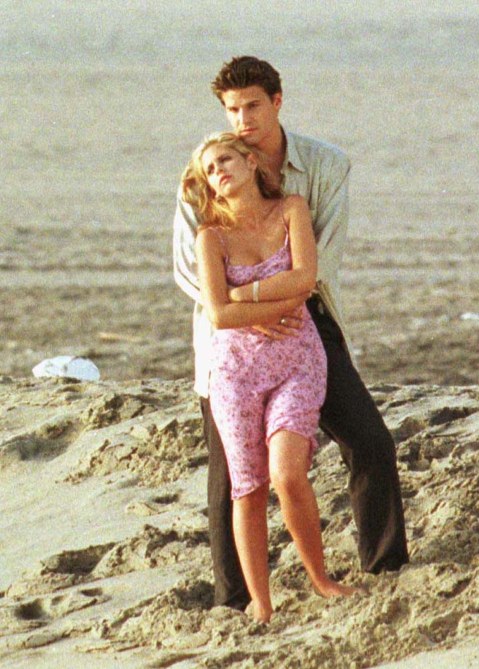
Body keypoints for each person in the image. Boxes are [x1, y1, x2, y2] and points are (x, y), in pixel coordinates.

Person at [173, 56, 409, 612]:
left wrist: (265, 299)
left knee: (370, 441)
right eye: (232, 110)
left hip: (306, 321)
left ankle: (385, 566)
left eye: (253, 105)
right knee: (231, 475)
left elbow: (319, 261)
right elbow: (187, 269)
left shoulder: (325, 165)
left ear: (277, 101)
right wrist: (243, 308)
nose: (243, 120)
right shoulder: (206, 172)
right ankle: (236, 599)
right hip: (228, 337)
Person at [181, 131, 362, 622]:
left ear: (250, 161)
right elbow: (219, 315)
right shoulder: (210, 237)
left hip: (296, 362)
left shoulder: (291, 210)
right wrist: (261, 304)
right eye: (209, 170)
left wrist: (245, 294)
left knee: (287, 473)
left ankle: (321, 580)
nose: (218, 171)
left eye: (225, 159)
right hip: (235, 374)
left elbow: (304, 281)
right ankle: (260, 602)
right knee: (248, 486)